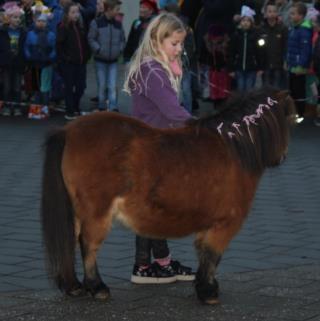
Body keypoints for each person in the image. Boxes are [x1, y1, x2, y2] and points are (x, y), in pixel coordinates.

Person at [124, 13, 195, 284]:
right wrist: (202, 128)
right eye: (174, 44)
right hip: (152, 147)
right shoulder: (152, 70)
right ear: (157, 40)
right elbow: (172, 110)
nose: (180, 49)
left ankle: (161, 262)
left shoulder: (157, 66)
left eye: (181, 44)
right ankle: (142, 267)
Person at [88, 0, 125, 112]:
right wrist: (98, 49)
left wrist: (119, 50)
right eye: (117, 9)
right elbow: (91, 38)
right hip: (100, 60)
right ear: (109, 10)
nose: (118, 12)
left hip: (113, 60)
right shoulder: (96, 22)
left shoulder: (118, 24)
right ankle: (102, 106)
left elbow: (122, 39)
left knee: (112, 85)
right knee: (102, 84)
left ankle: (113, 107)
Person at [56, 1, 90, 120]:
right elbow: (59, 46)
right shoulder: (63, 27)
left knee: (81, 87)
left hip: (81, 63)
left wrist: (86, 57)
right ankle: (70, 110)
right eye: (73, 12)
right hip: (68, 64)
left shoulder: (80, 26)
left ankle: (75, 106)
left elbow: (84, 44)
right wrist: (66, 59)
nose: (76, 15)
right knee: (69, 87)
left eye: (77, 12)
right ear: (67, 14)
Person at [227, 6, 264, 92]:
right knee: (240, 89)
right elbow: (231, 52)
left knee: (249, 90)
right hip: (239, 68)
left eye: (248, 21)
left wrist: (260, 67)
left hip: (252, 68)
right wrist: (231, 69)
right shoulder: (235, 36)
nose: (245, 23)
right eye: (243, 20)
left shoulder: (256, 36)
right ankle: (241, 105)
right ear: (240, 22)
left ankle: (248, 105)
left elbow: (260, 52)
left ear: (251, 23)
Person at [24, 12, 56, 111]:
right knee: (36, 86)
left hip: (46, 64)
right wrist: (29, 56)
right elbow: (26, 46)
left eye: (43, 21)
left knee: (45, 87)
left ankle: (45, 108)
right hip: (34, 63)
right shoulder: (30, 34)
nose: (41, 23)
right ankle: (36, 109)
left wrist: (50, 57)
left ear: (47, 22)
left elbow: (54, 48)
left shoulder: (51, 35)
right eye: (39, 21)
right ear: (35, 22)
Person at [287, 1, 313, 123]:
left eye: (293, 13)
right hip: (292, 66)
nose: (290, 16)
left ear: (301, 16)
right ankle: (294, 113)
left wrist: (301, 65)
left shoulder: (304, 31)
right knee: (292, 91)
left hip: (299, 68)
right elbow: (290, 47)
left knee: (299, 92)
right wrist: (287, 60)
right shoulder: (294, 28)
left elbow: (305, 50)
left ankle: (300, 114)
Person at [0, 3, 25, 116]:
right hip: (6, 63)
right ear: (9, 18)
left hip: (18, 63)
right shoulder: (2, 32)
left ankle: (17, 106)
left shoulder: (23, 32)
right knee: (7, 86)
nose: (17, 19)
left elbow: (25, 47)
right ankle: (6, 106)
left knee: (17, 86)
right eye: (14, 17)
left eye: (19, 17)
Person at [259, 1, 288, 88]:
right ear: (265, 13)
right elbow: (259, 47)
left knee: (277, 89)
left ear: (277, 13)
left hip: (278, 64)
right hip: (265, 64)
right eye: (270, 11)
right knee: (266, 89)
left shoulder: (282, 28)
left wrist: (285, 61)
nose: (272, 14)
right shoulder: (261, 29)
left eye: (274, 11)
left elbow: (285, 46)